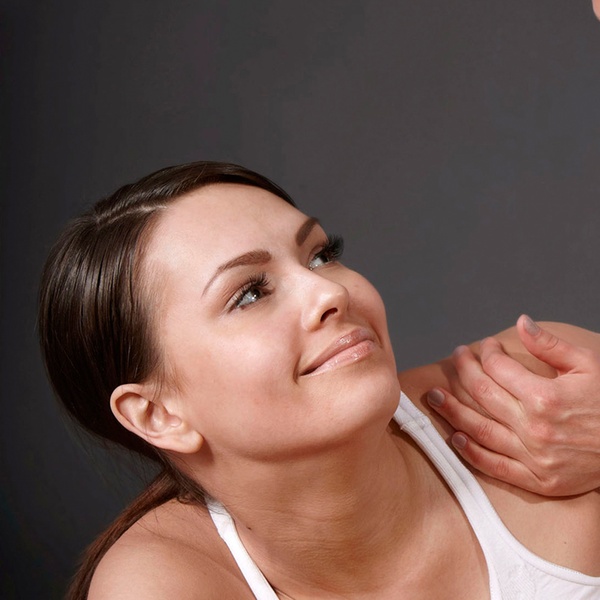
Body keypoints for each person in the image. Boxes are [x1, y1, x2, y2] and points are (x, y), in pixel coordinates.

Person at [39, 161, 600, 599]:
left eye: (319, 256)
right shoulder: (164, 585)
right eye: (249, 294)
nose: (330, 292)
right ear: (158, 415)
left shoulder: (545, 391)